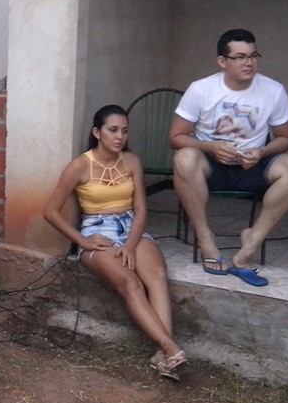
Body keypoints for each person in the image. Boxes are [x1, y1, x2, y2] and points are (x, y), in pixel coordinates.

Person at [44, 105, 187, 380]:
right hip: (99, 230)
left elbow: (142, 209)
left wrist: (130, 245)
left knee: (157, 275)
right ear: (97, 132)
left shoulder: (132, 161)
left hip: (131, 227)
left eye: (124, 131)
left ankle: (163, 355)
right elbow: (50, 211)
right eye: (112, 130)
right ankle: (170, 347)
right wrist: (82, 240)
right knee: (130, 282)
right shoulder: (80, 165)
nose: (119, 136)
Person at [168, 28, 288, 287]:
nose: (249, 63)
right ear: (223, 61)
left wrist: (262, 152)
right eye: (240, 57)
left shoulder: (273, 90)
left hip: (252, 165)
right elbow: (175, 137)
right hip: (211, 167)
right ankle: (205, 239)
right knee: (184, 158)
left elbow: (286, 138)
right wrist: (210, 147)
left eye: (253, 56)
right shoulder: (201, 89)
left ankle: (252, 240)